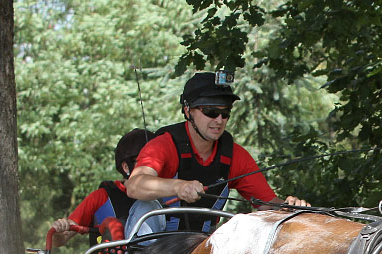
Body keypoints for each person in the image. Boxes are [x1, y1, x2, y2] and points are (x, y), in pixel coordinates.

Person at [125, 71, 307, 237]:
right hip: (156, 248)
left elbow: (266, 204)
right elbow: (134, 185)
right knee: (144, 206)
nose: (219, 120)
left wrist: (287, 207)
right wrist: (179, 187)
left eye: (225, 113)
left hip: (201, 247)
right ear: (188, 111)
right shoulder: (164, 145)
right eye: (211, 111)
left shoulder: (234, 155)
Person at [51, 128, 153, 247]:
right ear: (126, 167)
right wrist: (59, 231)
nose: (155, 167)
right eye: (145, 161)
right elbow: (59, 240)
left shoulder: (171, 194)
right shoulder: (102, 197)